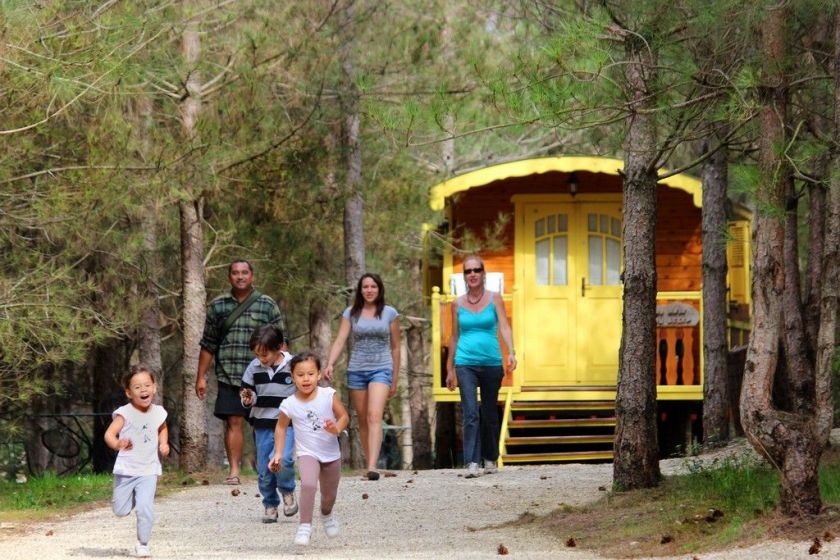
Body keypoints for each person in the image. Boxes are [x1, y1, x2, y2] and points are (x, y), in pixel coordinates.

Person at [196, 259, 285, 485]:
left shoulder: (267, 305)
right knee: (234, 421)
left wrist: (284, 372)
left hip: (263, 376)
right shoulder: (218, 306)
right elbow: (208, 344)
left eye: (244, 272)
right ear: (229, 277)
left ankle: (266, 467)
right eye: (235, 273)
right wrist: (201, 377)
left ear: (252, 276)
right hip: (230, 373)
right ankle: (234, 471)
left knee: (264, 423)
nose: (240, 276)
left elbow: (281, 342)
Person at [324, 273, 400, 481]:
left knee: (375, 415)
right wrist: (330, 362)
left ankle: (373, 466)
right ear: (360, 290)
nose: (369, 290)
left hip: (381, 368)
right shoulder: (351, 313)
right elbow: (340, 339)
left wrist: (394, 377)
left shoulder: (390, 313)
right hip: (357, 369)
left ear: (379, 289)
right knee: (364, 420)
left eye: (373, 286)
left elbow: (395, 347)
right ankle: (370, 463)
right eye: (365, 287)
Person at [446, 255, 516, 479]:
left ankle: (490, 457)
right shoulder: (456, 303)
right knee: (470, 412)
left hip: (492, 362)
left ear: (483, 274)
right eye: (468, 271)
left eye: (477, 270)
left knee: (488, 412)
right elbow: (454, 337)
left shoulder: (495, 299)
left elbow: (504, 326)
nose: (473, 274)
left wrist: (511, 352)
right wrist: (449, 369)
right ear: (464, 276)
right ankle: (471, 462)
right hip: (465, 363)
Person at [269, 352, 349, 547]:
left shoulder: (328, 395)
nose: (306, 379)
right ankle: (304, 526)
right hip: (307, 453)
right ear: (293, 377)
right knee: (308, 485)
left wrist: (336, 429)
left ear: (319, 375)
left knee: (329, 496)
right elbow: (280, 428)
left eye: (311, 374)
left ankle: (326, 514)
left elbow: (344, 417)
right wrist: (278, 453)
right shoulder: (289, 404)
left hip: (331, 454)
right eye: (300, 375)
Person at [104, 364, 169, 558]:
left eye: (147, 385)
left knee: (145, 507)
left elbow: (162, 428)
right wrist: (117, 443)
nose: (143, 390)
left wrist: (163, 444)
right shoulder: (125, 413)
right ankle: (131, 497)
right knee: (120, 510)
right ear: (129, 393)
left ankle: (143, 543)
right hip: (126, 470)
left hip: (148, 470)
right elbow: (109, 434)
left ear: (154, 388)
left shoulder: (158, 412)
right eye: (137, 387)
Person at [240, 324, 298, 522]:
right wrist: (248, 398)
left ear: (280, 347)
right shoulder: (253, 367)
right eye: (257, 355)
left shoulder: (293, 366)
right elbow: (247, 392)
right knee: (265, 468)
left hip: (287, 424)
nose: (261, 359)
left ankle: (287, 490)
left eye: (265, 354)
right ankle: (270, 504)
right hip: (263, 424)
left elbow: (303, 392)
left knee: (284, 460)